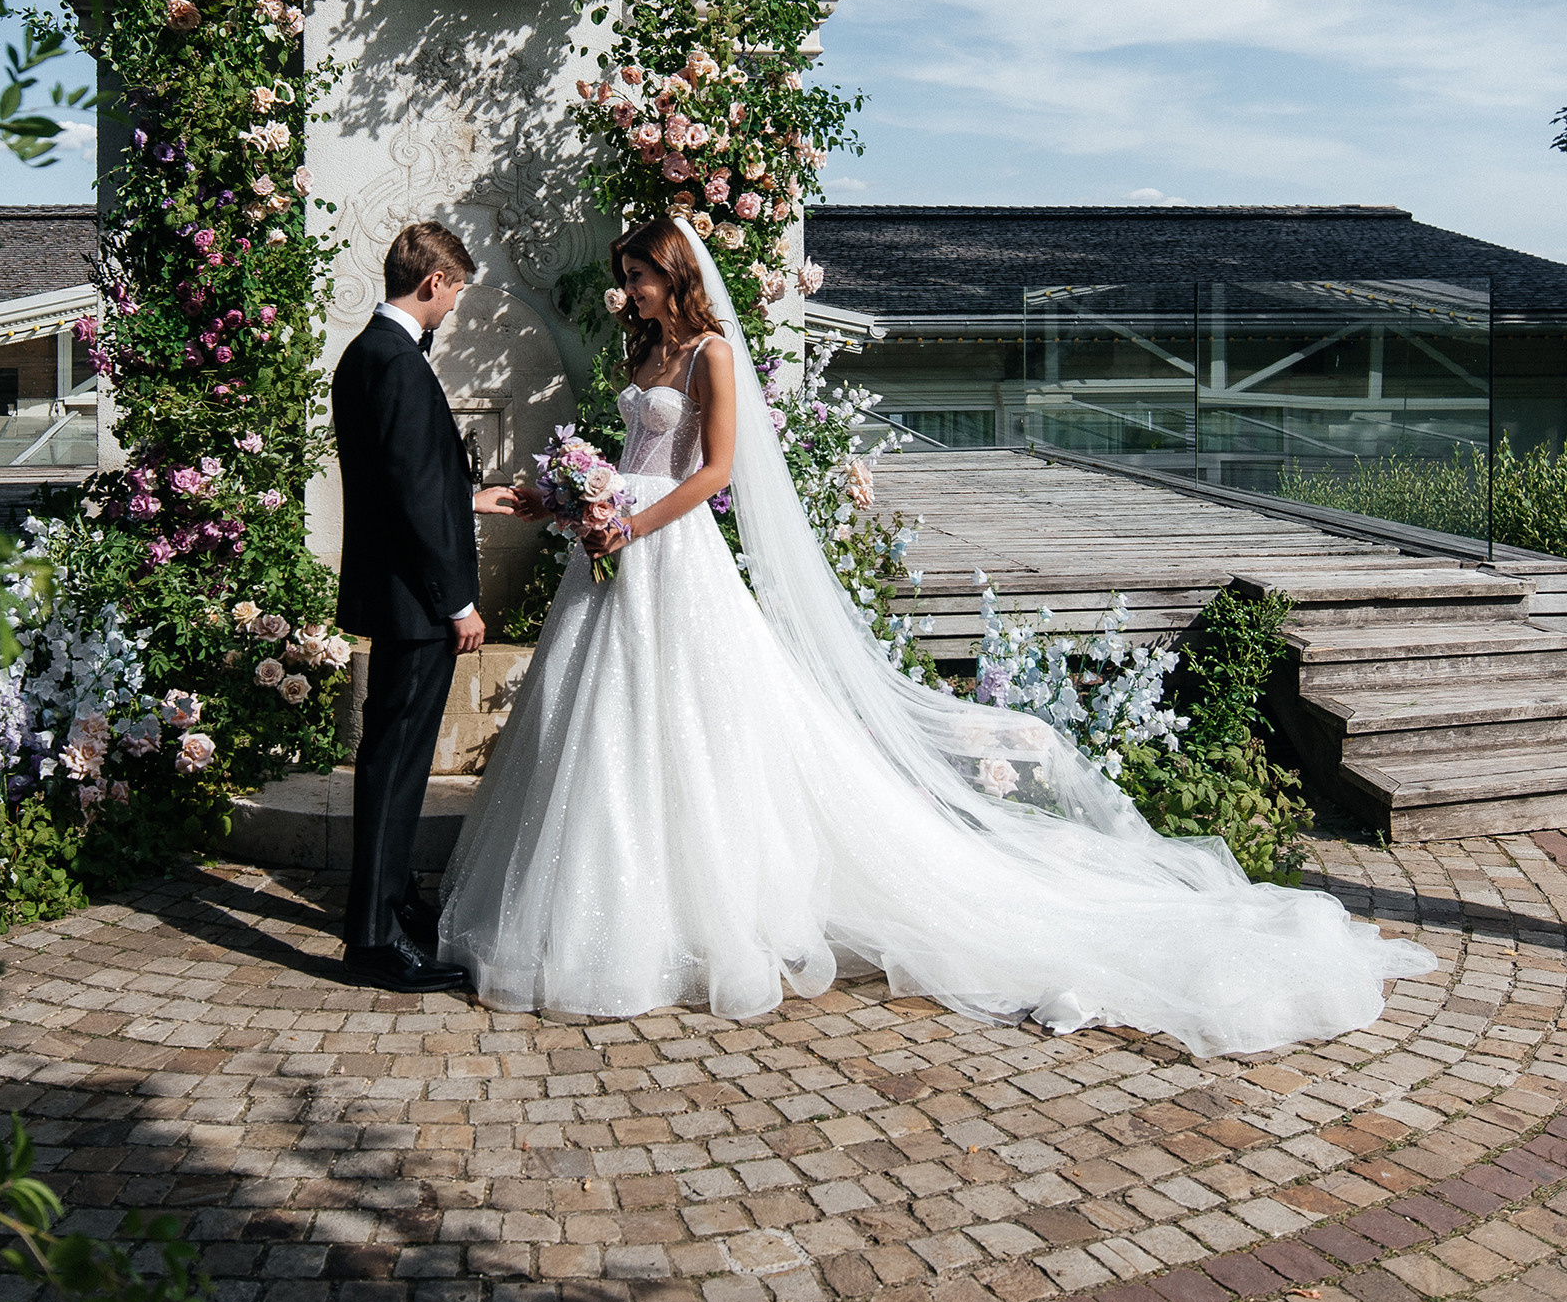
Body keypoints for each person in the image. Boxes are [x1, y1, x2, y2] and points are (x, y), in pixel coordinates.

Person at [436, 216, 1438, 1052]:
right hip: (615, 552)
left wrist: (631, 518)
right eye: (627, 279)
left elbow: (713, 473)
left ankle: (710, 915)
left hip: (672, 547)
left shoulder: (711, 353)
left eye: (642, 276)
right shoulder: (644, 353)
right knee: (604, 725)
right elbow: (633, 451)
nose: (631, 293)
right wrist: (581, 504)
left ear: (678, 276)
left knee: (694, 721)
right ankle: (615, 910)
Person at [331, 221, 523, 994]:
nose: (454, 309)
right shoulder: (401, 364)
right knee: (396, 764)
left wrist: (472, 497)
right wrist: (460, 602)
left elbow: (403, 478)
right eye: (456, 293)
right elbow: (409, 498)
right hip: (417, 602)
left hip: (395, 592)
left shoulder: (366, 355)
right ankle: (373, 941)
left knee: (390, 760)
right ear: (435, 281)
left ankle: (391, 899)